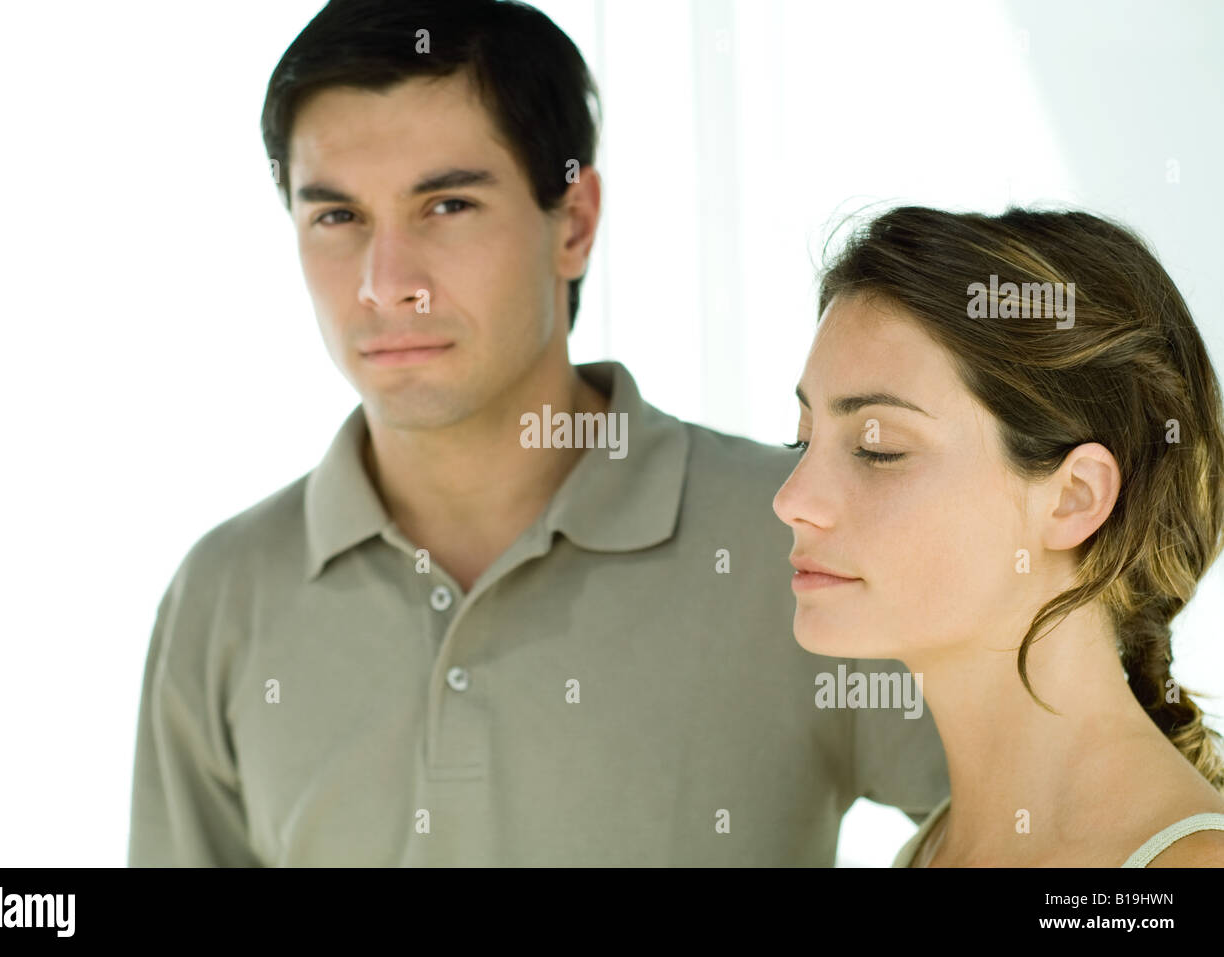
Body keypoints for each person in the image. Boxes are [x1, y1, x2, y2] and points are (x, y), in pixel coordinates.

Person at [125, 0, 948, 866]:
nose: (385, 283)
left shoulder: (801, 539)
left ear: (575, 223)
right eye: (337, 216)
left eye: (445, 205)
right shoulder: (223, 595)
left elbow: (1067, 832)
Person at [774, 205, 1224, 867]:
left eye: (878, 447)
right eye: (803, 440)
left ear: (1075, 498)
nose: (791, 500)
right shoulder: (925, 853)